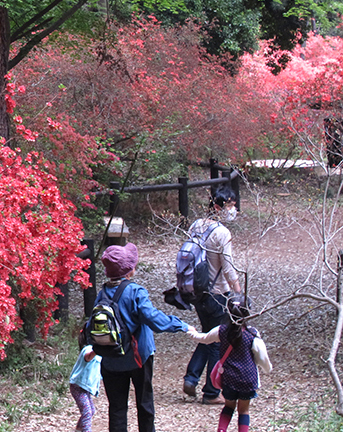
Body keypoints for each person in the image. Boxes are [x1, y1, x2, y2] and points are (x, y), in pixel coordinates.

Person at [96, 242, 195, 432]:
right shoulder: (135, 292)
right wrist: (180, 325)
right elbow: (153, 318)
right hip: (138, 357)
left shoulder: (102, 294)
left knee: (117, 409)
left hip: (110, 358)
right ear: (129, 271)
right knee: (145, 404)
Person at [183, 185, 243, 405]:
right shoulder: (222, 233)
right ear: (218, 207)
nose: (232, 210)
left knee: (208, 334)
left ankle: (191, 378)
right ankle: (211, 392)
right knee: (217, 340)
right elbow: (228, 268)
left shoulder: (196, 225)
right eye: (229, 206)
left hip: (196, 291)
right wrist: (239, 294)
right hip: (217, 293)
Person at [188, 295, 272, 432]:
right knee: (244, 411)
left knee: (228, 406)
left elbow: (204, 338)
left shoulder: (221, 331)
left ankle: (221, 430)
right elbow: (262, 357)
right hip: (248, 378)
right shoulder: (252, 334)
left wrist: (191, 332)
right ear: (248, 312)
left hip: (228, 377)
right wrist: (268, 369)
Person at [70, 345, 102, 432]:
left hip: (85, 388)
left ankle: (78, 429)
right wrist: (97, 350)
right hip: (77, 386)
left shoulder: (101, 355)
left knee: (91, 410)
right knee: (87, 412)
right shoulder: (88, 349)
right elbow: (87, 357)